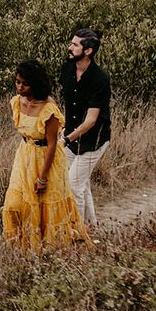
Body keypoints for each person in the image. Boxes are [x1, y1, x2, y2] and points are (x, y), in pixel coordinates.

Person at [2, 60, 90, 252]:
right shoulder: (17, 102)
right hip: (25, 156)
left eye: (24, 83)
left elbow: (52, 144)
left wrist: (42, 177)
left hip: (46, 158)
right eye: (17, 82)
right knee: (14, 203)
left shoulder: (48, 108)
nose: (19, 87)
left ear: (35, 83)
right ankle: (24, 247)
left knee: (45, 204)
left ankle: (50, 250)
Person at [60, 28, 111, 227]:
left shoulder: (100, 79)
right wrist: (63, 128)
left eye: (75, 45)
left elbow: (91, 120)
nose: (70, 48)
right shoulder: (67, 68)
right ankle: (91, 226)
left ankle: (77, 234)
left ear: (88, 51)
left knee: (73, 186)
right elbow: (67, 103)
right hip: (71, 134)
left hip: (94, 140)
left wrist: (66, 138)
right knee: (79, 183)